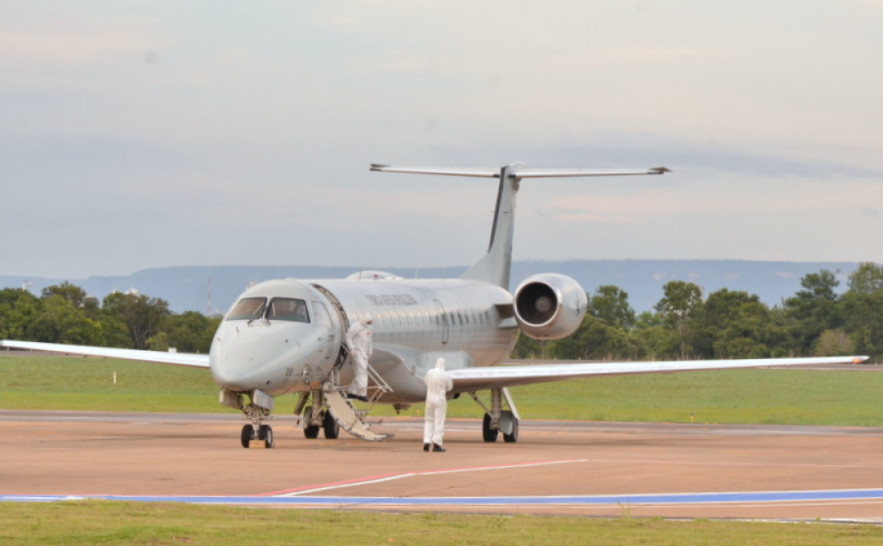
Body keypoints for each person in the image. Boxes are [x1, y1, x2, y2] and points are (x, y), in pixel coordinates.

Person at [423, 357, 453, 452]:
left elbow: (425, 382)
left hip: (429, 398)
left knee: (429, 420)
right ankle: (437, 443)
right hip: (439, 398)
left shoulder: (430, 372)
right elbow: (449, 387)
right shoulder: (445, 374)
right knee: (439, 421)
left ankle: (427, 441)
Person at [345, 315, 373, 402]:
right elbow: (348, 336)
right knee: (361, 372)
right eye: (368, 322)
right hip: (357, 352)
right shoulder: (356, 326)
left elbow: (369, 342)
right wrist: (351, 348)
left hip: (364, 354)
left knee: (361, 373)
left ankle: (352, 392)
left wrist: (369, 353)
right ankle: (362, 394)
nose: (369, 323)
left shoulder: (367, 329)